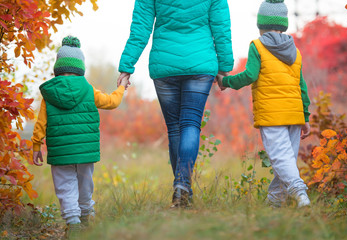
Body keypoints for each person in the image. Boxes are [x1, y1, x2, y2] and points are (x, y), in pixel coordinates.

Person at [117, 0, 234, 208]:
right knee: (190, 124)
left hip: (165, 65)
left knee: (174, 129)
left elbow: (140, 28)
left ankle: (182, 188)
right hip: (200, 64)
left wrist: (127, 66)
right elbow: (221, 28)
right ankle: (182, 185)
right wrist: (224, 67)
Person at [31, 36, 129, 236]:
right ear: (80, 68)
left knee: (65, 186)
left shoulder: (49, 93)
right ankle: (86, 216)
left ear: (58, 69)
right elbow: (112, 102)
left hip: (61, 153)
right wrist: (121, 87)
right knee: (85, 184)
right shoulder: (88, 89)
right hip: (85, 152)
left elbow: (41, 123)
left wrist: (35, 146)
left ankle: (73, 222)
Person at [217, 0, 311, 208]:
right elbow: (301, 86)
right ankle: (275, 202)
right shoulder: (295, 52)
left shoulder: (258, 46)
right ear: (283, 24)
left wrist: (226, 81)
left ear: (261, 25)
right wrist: (305, 116)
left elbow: (250, 74)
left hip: (272, 115)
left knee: (280, 159)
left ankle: (300, 191)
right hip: (294, 115)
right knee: (285, 161)